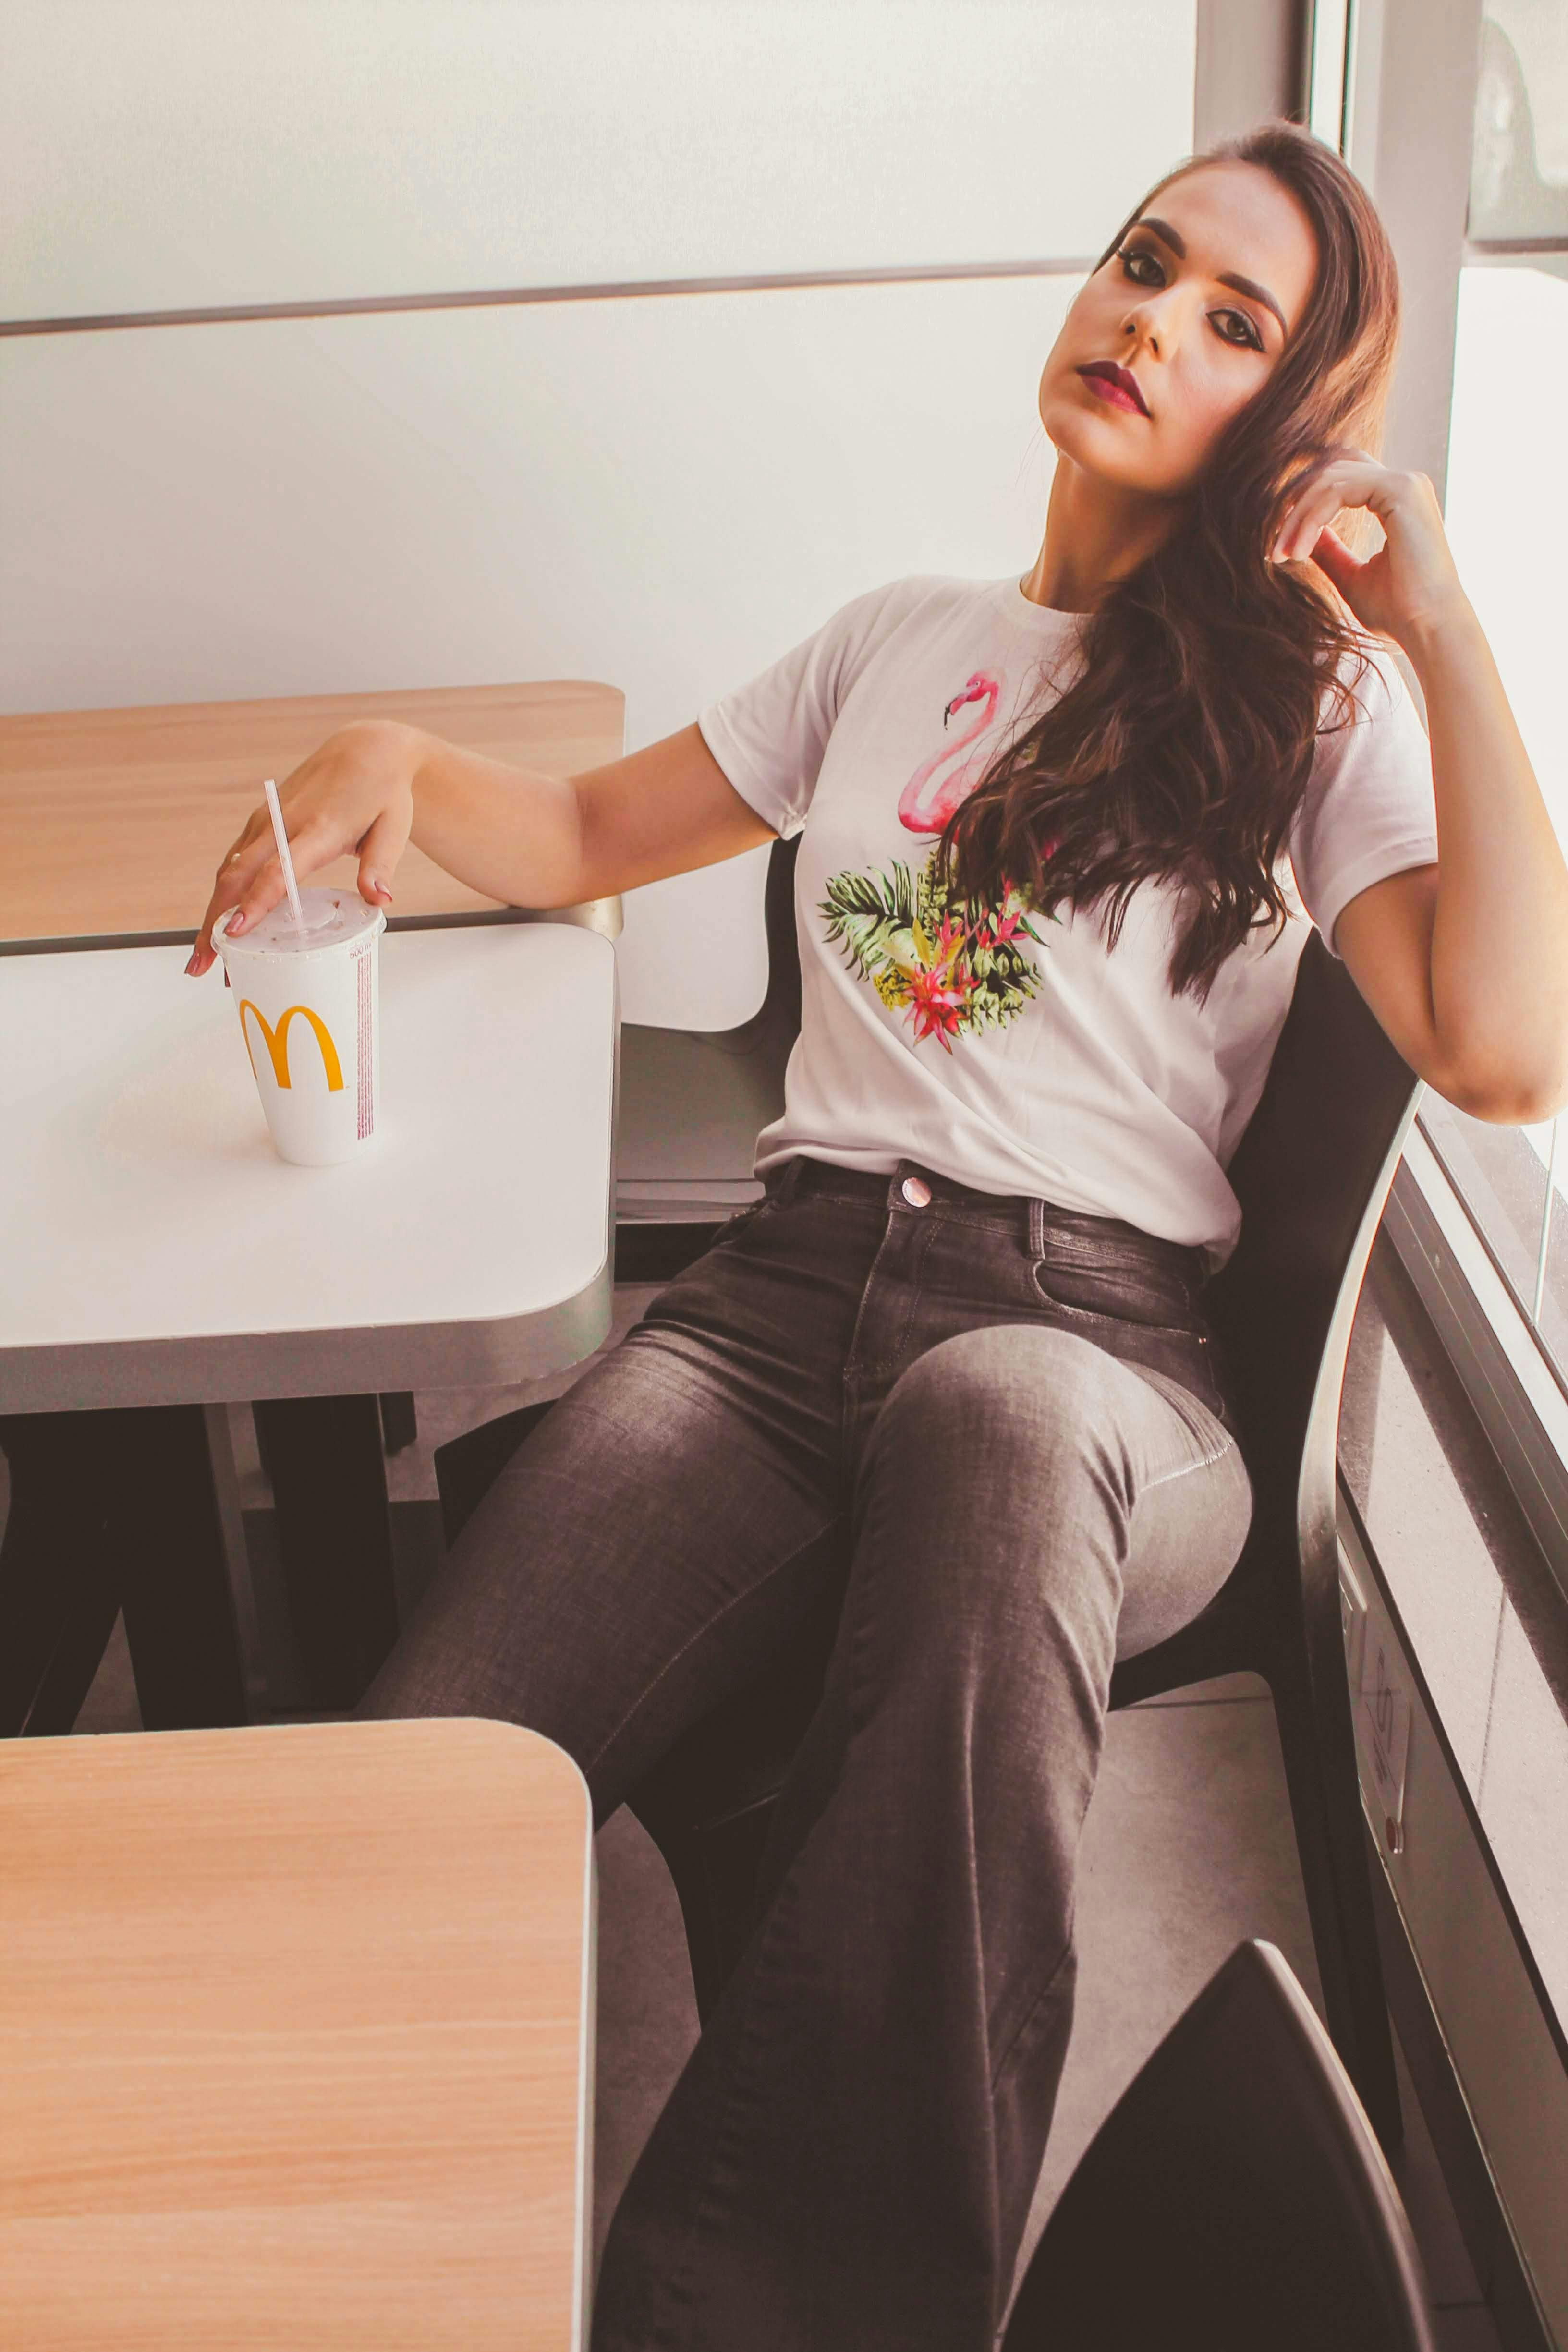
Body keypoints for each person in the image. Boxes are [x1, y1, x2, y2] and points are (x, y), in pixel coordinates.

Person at [188, 119, 1568, 2352]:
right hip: (769, 1312)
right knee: (417, 1794)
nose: (1150, 320)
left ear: (1287, 422)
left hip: (1093, 1352)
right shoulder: (893, 640)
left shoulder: (1311, 709)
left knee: (1002, 1414)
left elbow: (1506, 1046)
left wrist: (1439, 613)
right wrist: (390, 754)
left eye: (1234, 324)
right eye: (1144, 263)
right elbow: (570, 834)